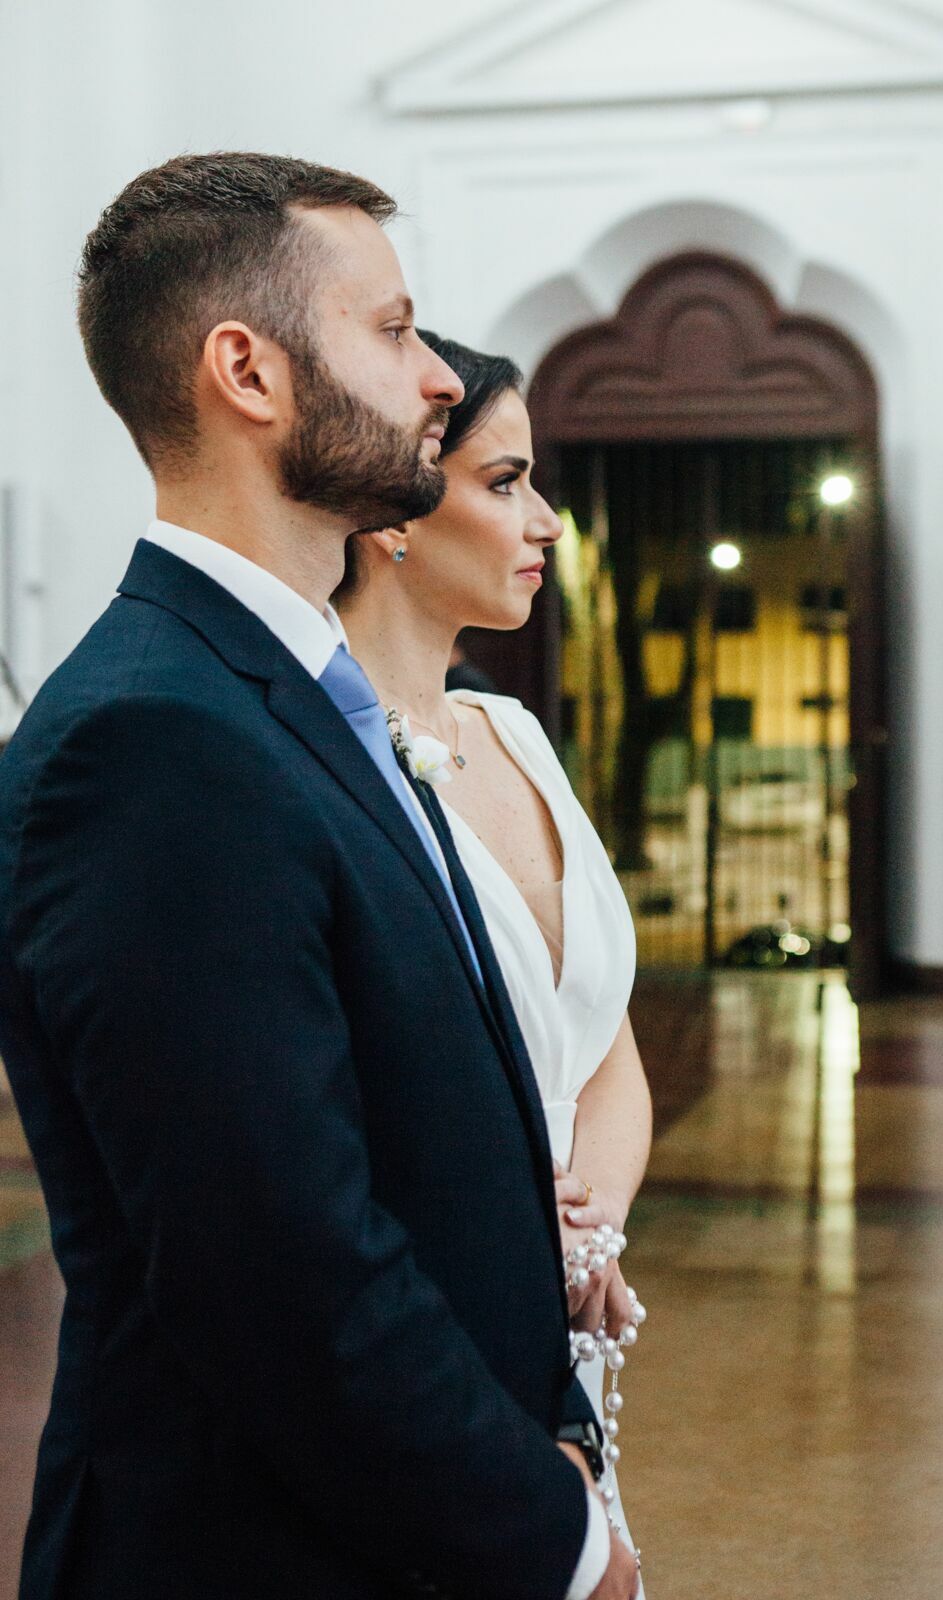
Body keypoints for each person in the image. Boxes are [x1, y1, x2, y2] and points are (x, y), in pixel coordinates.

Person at [0, 153, 639, 1600]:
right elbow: (278, 1280)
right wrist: (554, 1534)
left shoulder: (291, 694)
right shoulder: (154, 739)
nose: (431, 378)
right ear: (249, 370)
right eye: (392, 330)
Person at [334, 332, 653, 1585]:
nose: (552, 524)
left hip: (563, 1326)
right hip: (433, 1323)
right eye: (506, 481)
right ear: (396, 514)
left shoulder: (511, 731)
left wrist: (592, 1228)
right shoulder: (325, 761)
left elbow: (603, 1046)